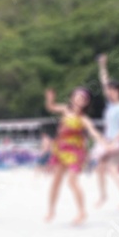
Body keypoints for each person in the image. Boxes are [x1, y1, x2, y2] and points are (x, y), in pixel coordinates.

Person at [45, 88, 106, 225]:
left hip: (75, 152)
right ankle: (51, 210)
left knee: (72, 180)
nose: (79, 100)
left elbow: (93, 132)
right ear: (72, 98)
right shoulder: (65, 110)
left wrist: (103, 142)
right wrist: (50, 98)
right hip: (60, 149)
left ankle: (82, 212)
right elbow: (51, 107)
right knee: (56, 181)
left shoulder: (83, 118)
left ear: (86, 103)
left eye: (83, 99)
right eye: (77, 97)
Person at [94, 54, 119, 210]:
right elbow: (104, 82)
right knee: (100, 168)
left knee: (112, 169)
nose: (110, 92)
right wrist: (102, 65)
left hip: (118, 142)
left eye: (114, 90)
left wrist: (115, 140)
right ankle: (103, 196)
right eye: (110, 90)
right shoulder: (110, 105)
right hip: (107, 140)